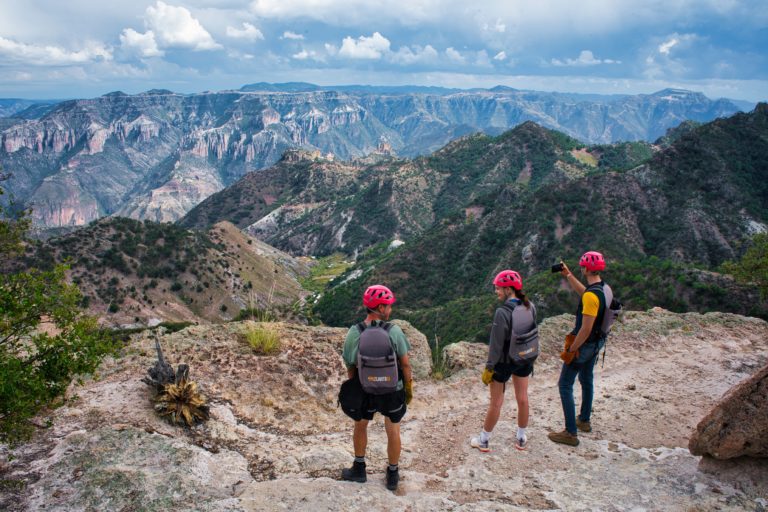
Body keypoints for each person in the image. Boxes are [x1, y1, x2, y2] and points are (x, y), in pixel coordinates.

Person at [341, 284, 413, 492]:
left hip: (365, 388)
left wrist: (356, 386)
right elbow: (405, 364)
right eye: (388, 305)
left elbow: (350, 364)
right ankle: (392, 473)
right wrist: (407, 387)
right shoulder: (394, 331)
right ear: (381, 307)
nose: (390, 309)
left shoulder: (355, 332)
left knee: (360, 425)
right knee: (393, 429)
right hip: (392, 389)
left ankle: (359, 468)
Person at [470, 270, 537, 453]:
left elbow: (496, 345)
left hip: (504, 362)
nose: (496, 291)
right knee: (522, 398)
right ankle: (521, 437)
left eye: (498, 288)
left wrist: (489, 367)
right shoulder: (530, 306)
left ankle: (484, 440)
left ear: (508, 289)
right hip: (524, 358)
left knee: (496, 403)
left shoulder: (502, 312)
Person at [548, 251, 610, 447]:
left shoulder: (592, 296)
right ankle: (583, 420)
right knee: (586, 379)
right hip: (597, 343)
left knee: (565, 384)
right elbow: (586, 293)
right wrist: (568, 275)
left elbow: (585, 328)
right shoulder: (604, 289)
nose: (580, 268)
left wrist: (572, 349)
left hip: (584, 345)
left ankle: (570, 433)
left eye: (582, 266)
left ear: (586, 269)